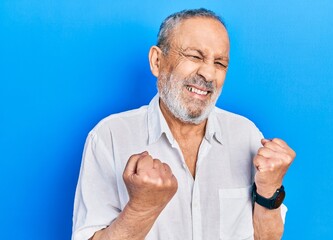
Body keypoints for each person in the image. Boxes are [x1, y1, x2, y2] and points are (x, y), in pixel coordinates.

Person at [72, 8, 296, 240]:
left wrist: (270, 189)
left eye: (219, 63)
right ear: (157, 61)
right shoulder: (110, 137)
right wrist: (141, 209)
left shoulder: (246, 135)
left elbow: (267, 237)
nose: (209, 74)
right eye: (195, 56)